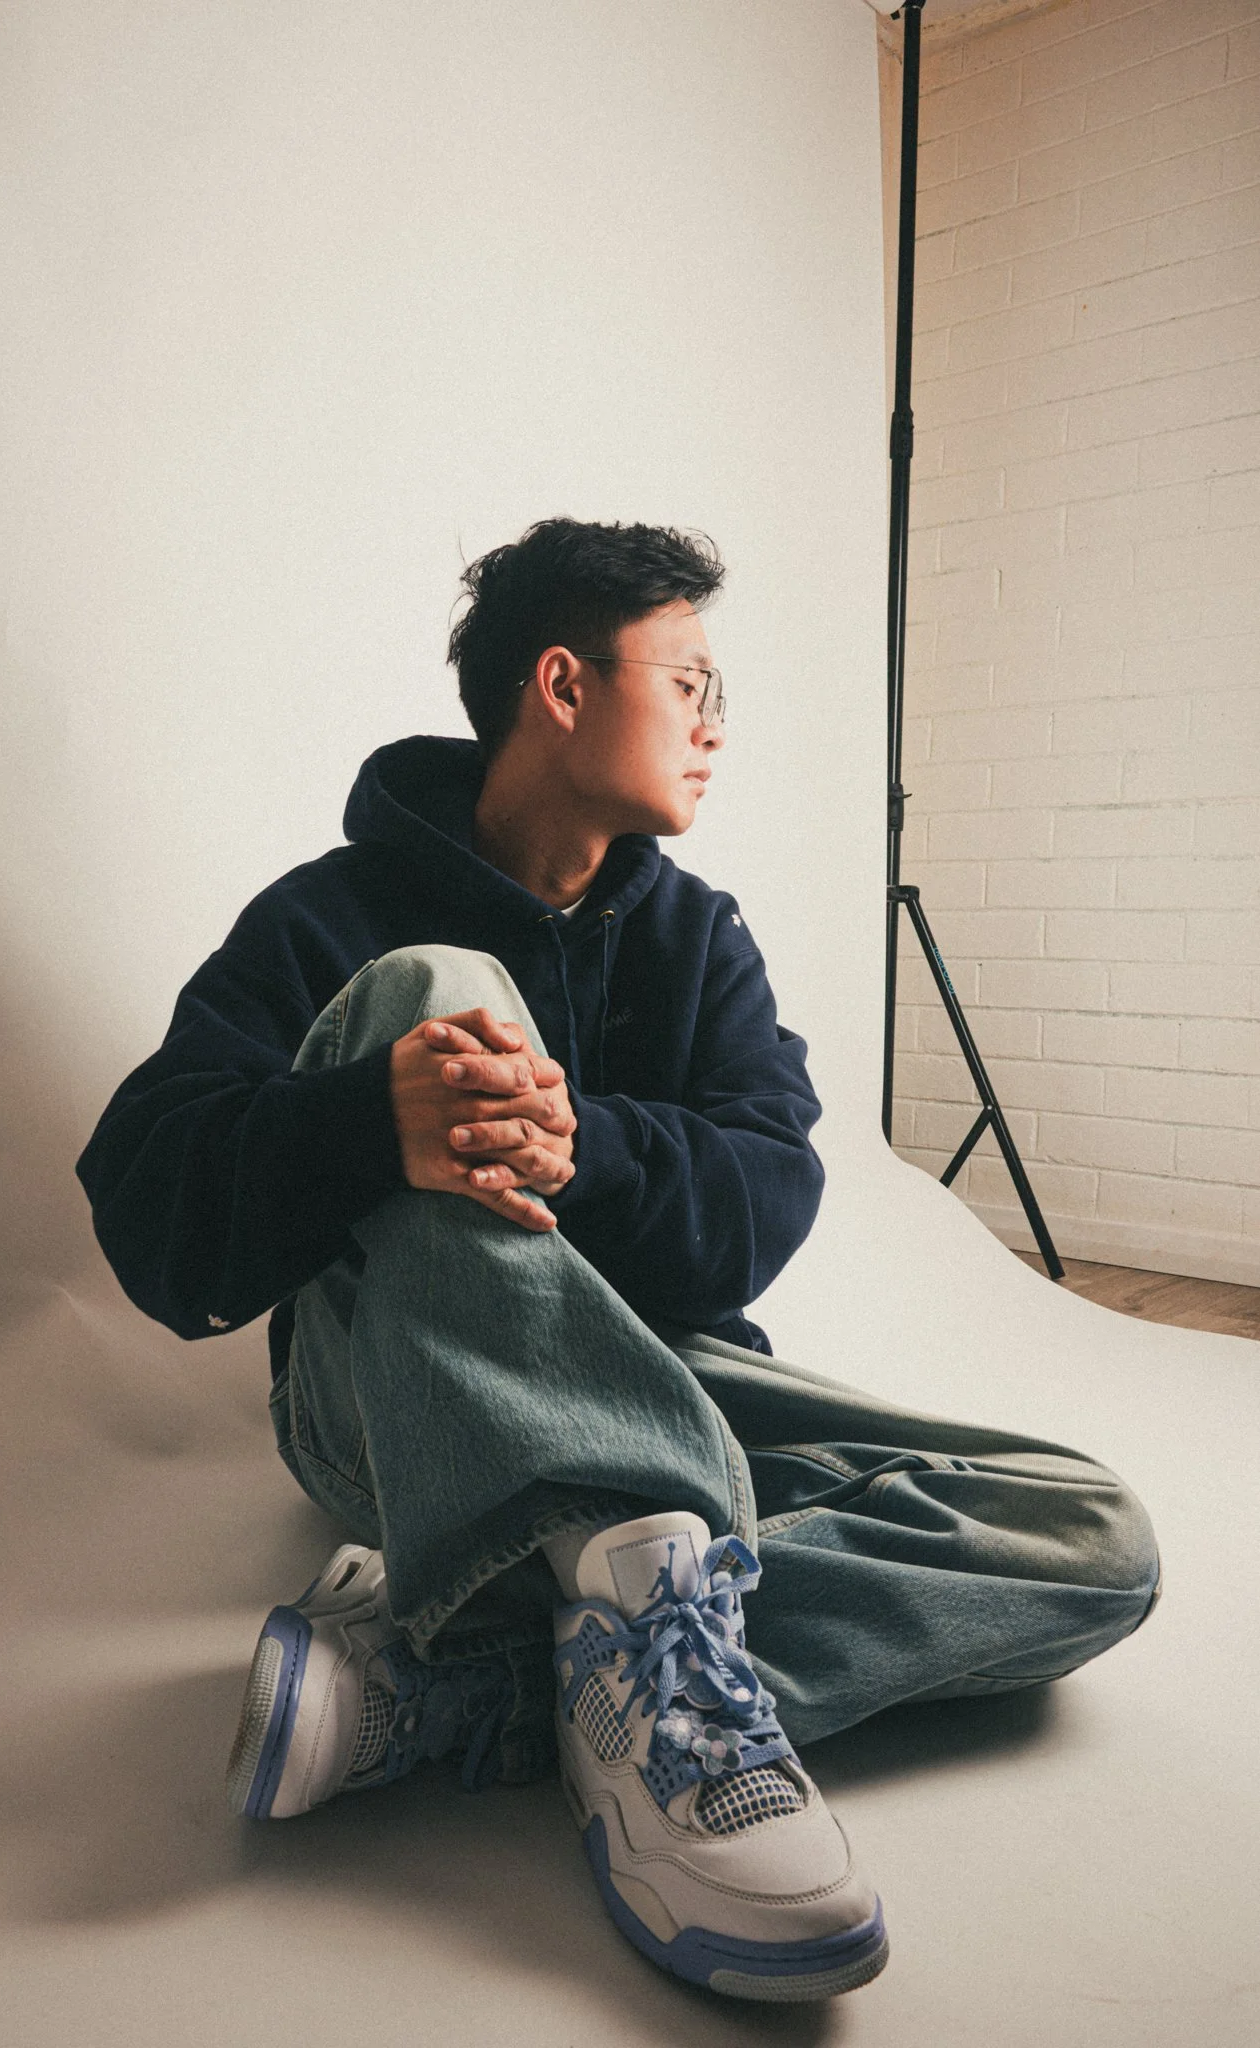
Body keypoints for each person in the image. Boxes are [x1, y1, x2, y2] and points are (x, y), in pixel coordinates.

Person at [76, 517, 1160, 2004]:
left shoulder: (697, 940)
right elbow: (147, 1205)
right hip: (390, 1406)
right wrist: (367, 1119)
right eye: (691, 682)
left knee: (1090, 1536)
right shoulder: (329, 916)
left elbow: (768, 1195)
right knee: (437, 994)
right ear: (564, 685)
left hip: (658, 1381)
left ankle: (483, 1680)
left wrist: (579, 1141)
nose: (719, 726)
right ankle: (655, 1690)